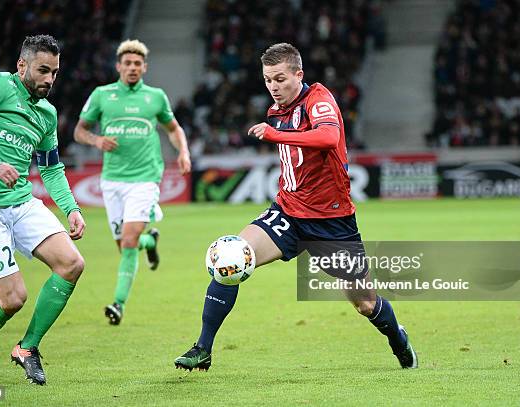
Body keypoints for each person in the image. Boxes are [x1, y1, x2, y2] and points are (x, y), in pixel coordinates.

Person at [174, 43, 417, 371]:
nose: (273, 87)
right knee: (230, 258)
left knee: (364, 303)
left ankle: (398, 340)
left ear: (298, 75)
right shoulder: (276, 110)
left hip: (331, 222)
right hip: (287, 212)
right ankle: (203, 347)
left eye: (279, 79)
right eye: (267, 80)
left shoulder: (319, 100)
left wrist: (277, 135)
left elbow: (329, 138)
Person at [0, 35, 86, 385]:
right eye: (42, 70)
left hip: (21, 203)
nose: (49, 80)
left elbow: (51, 167)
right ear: (22, 65)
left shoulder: (48, 114)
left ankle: (27, 348)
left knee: (72, 264)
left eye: (54, 72)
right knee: (13, 299)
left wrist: (70, 208)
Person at [73, 39, 191, 325]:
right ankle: (150, 241)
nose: (132, 68)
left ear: (144, 67)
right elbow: (79, 131)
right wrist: (96, 139)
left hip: (146, 178)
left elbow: (174, 129)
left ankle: (118, 304)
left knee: (127, 242)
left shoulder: (155, 97)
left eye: (138, 63)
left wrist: (183, 151)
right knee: (125, 244)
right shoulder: (101, 95)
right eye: (127, 63)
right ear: (118, 66)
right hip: (112, 181)